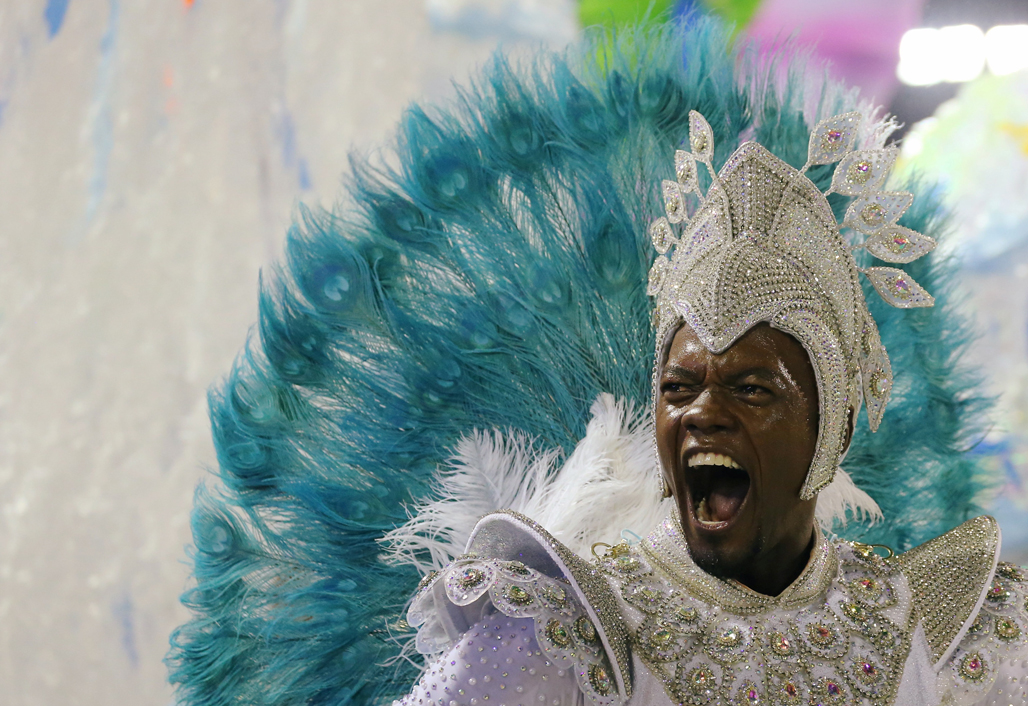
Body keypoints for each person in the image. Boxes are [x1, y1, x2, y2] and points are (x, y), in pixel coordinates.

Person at [167, 18, 1024, 706]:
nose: (702, 415)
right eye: (679, 388)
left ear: (833, 426)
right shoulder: (564, 627)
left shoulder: (950, 625)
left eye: (753, 388)